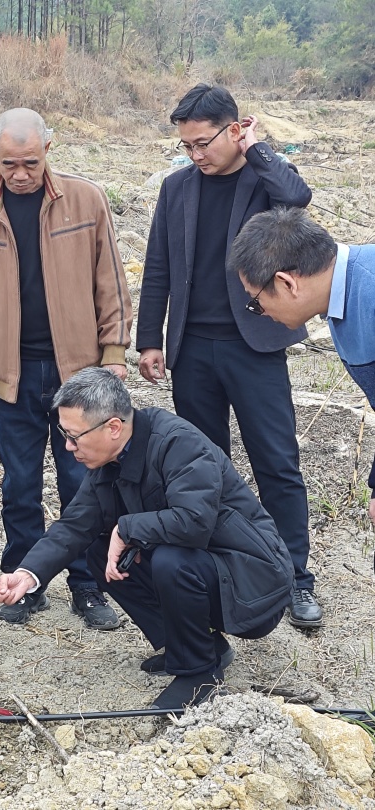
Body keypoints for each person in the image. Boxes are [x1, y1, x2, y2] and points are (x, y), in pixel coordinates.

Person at [0, 368, 294, 710]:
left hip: (253, 580)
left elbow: (194, 522)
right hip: (208, 568)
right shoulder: (110, 459)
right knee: (100, 553)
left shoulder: (179, 443)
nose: (67, 446)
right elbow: (74, 526)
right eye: (64, 434)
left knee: (171, 560)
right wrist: (27, 575)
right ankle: (197, 647)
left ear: (113, 427)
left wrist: (126, 528)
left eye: (74, 436)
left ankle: (199, 675)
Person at [136, 83, 321, 628]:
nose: (195, 154)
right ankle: (226, 571)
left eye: (203, 143)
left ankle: (295, 577)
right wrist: (150, 339)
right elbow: (158, 266)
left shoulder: (264, 182)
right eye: (186, 145)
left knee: (277, 463)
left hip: (255, 345)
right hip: (192, 349)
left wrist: (258, 149)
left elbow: (298, 197)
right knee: (202, 467)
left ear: (235, 129)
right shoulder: (176, 189)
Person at [0, 107, 133, 629]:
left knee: (83, 483)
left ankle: (88, 585)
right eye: (9, 163)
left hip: (79, 374)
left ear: (48, 150)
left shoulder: (86, 200)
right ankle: (23, 583)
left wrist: (113, 355)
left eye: (30, 162)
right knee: (20, 484)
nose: (20, 174)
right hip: (12, 374)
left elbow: (110, 283)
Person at [228, 206, 375, 532]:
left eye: (256, 302)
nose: (261, 312)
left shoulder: (369, 290)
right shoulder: (340, 297)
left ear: (286, 283)